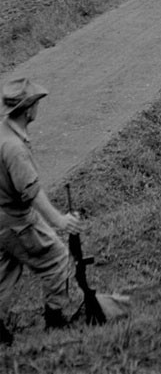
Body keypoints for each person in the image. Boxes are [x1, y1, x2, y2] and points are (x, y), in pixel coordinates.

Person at [0, 77, 83, 344]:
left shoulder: (3, 133)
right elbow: (31, 191)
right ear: (27, 110)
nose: (38, 107)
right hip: (16, 218)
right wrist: (59, 220)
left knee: (6, 270)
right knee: (57, 259)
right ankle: (55, 320)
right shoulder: (14, 148)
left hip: (2, 218)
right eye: (36, 102)